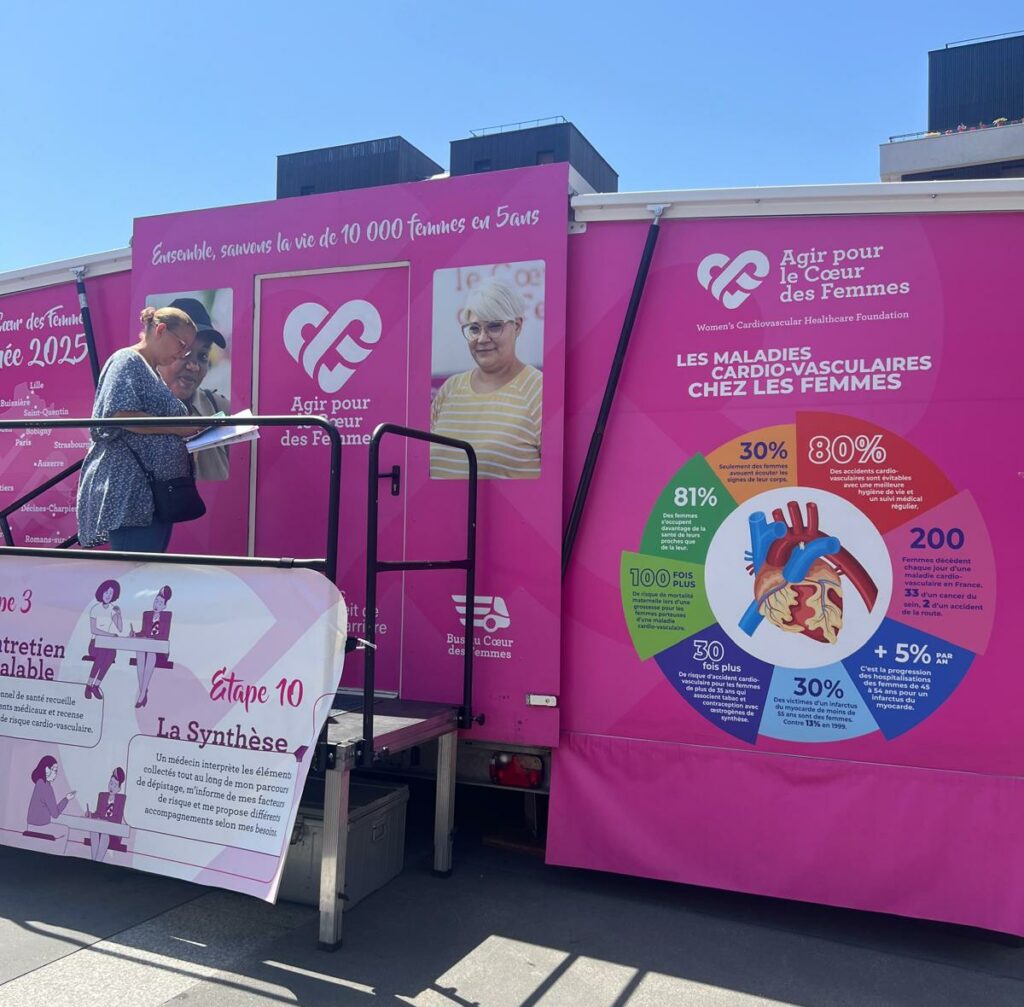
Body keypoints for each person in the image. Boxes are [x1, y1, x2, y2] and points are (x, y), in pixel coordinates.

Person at [76, 306, 204, 553]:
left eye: (187, 349)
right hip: (133, 494)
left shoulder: (152, 372)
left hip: (155, 496)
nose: (183, 354)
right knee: (135, 570)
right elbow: (118, 415)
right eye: (181, 344)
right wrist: (176, 429)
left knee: (146, 568)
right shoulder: (127, 360)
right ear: (160, 330)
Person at [430, 280, 542, 479]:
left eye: (494, 326)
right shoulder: (450, 389)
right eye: (474, 328)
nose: (482, 338)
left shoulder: (539, 390)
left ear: (517, 326)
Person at [158, 297, 231, 481]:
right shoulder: (134, 412)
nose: (194, 366)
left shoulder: (220, 409)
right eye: (185, 353)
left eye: (203, 355)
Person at [132, 585, 173, 708]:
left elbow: (164, 636)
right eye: (156, 601)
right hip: (146, 647)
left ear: (164, 606)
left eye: (160, 603)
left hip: (159, 652)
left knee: (150, 653)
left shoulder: (166, 617)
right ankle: (143, 692)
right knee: (140, 651)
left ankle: (142, 693)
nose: (157, 604)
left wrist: (150, 639)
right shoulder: (147, 615)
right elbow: (143, 632)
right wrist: (135, 634)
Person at [85, 578, 124, 700]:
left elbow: (120, 628)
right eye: (106, 592)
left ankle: (96, 685)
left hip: (107, 644)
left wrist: (119, 614)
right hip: (95, 644)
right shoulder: (95, 608)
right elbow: (94, 630)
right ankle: (88, 685)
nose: (108, 595)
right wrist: (110, 635)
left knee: (112, 654)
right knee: (102, 654)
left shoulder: (112, 609)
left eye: (111, 593)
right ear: (101, 592)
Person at [25, 756, 75, 840]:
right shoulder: (46, 787)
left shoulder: (40, 783)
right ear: (46, 769)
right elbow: (55, 814)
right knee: (65, 831)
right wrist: (66, 799)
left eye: (56, 771)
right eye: (54, 770)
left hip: (31, 825)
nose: (55, 773)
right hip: (40, 826)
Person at [82, 767, 127, 862]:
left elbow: (117, 819)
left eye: (115, 785)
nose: (112, 787)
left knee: (105, 834)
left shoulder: (121, 799)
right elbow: (97, 814)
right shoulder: (102, 796)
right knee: (94, 831)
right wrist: (90, 814)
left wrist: (104, 820)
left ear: (119, 788)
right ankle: (95, 862)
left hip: (113, 834)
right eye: (111, 783)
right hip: (100, 829)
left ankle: (96, 862)